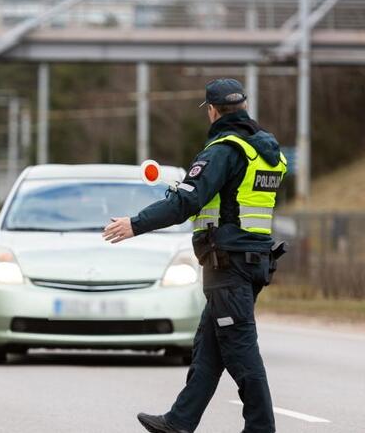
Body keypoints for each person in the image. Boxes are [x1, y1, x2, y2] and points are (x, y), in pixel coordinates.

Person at [102, 79, 287, 433]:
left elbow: (185, 203)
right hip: (254, 260)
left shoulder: (223, 150)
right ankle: (180, 421)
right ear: (243, 107)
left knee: (240, 349)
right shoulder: (267, 151)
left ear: (213, 111)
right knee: (210, 346)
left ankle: (261, 428)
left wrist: (135, 224)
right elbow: (231, 198)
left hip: (228, 264)